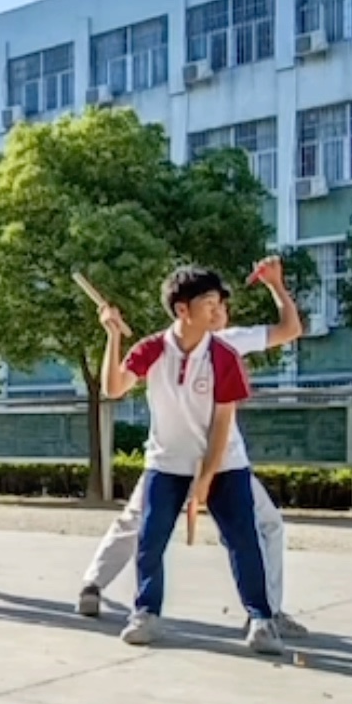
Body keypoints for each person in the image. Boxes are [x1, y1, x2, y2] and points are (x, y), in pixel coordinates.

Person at [77, 256, 308, 638]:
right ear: (184, 309)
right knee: (143, 528)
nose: (220, 311)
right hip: (168, 460)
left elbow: (289, 329)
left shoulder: (228, 349)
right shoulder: (155, 349)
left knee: (252, 531)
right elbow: (114, 386)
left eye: (221, 305)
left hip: (222, 461)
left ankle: (265, 613)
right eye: (212, 304)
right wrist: (113, 336)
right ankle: (109, 593)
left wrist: (275, 285)